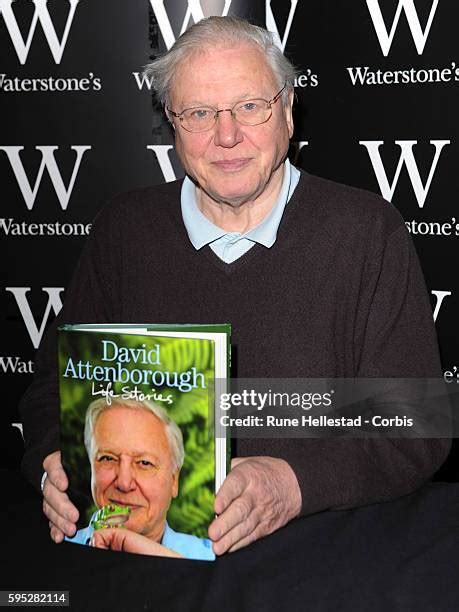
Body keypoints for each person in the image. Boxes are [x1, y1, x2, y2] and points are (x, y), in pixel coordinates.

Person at [20, 16, 449, 557]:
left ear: (288, 110)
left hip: (323, 557)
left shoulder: (368, 232)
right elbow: (46, 394)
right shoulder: (123, 231)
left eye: (250, 106)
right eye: (199, 113)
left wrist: (291, 484)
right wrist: (51, 466)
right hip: (143, 567)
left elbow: (416, 424)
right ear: (172, 125)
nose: (226, 137)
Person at [65, 398, 214, 560]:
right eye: (108, 458)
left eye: (144, 463)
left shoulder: (210, 558)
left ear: (174, 480)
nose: (124, 483)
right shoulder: (59, 551)